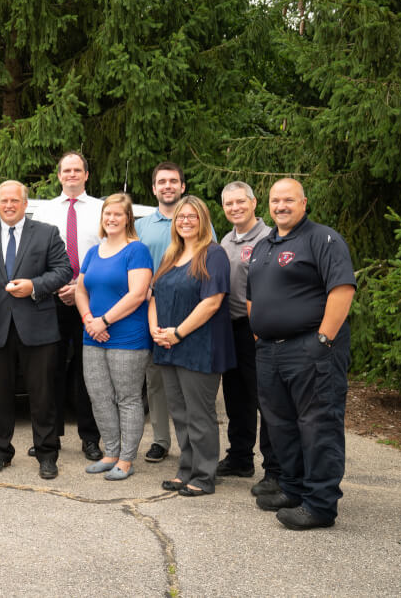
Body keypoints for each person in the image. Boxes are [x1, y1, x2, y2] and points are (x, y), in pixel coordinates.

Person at [247, 178, 355, 530]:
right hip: (270, 352)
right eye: (276, 200)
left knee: (318, 426)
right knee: (281, 426)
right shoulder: (264, 246)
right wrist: (259, 330)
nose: (281, 206)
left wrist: (323, 340)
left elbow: (341, 288)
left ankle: (320, 504)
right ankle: (291, 489)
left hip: (311, 348)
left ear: (304, 203)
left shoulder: (322, 239)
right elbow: (253, 297)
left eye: (289, 200)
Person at [0, 181, 72, 479]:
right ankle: (1, 452)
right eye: (3, 201)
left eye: (15, 200)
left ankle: (47, 453)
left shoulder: (46, 232)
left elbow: (63, 271)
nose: (9, 205)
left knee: (42, 395)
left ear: (25, 204)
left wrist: (34, 286)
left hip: (38, 327)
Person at [148, 196, 235, 496]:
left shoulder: (214, 254)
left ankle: (204, 474)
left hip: (199, 346)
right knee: (180, 413)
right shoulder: (171, 255)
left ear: (203, 221)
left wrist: (178, 333)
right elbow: (155, 296)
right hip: (168, 346)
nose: (185, 221)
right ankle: (185, 469)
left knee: (199, 414)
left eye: (192, 217)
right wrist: (156, 332)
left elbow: (211, 303)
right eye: (181, 217)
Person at [74, 194, 153, 480]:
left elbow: (138, 294)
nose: (111, 219)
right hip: (92, 335)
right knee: (99, 397)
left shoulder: (137, 251)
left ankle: (127, 459)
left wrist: (104, 320)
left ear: (128, 218)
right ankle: (110, 452)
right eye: (107, 214)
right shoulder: (94, 252)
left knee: (128, 398)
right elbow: (81, 291)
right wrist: (88, 320)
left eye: (118, 214)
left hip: (127, 337)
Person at [31, 152, 104, 462]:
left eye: (77, 170)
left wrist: (80, 288)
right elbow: (34, 257)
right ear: (59, 175)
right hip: (51, 301)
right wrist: (58, 287)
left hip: (93, 301)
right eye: (66, 170)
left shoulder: (104, 210)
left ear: (86, 175)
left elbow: (110, 254)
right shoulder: (43, 211)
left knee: (89, 372)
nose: (72, 174)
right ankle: (51, 437)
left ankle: (91, 438)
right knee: (50, 371)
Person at [216, 181, 281, 496]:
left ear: (254, 203)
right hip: (229, 328)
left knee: (266, 399)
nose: (235, 208)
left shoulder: (270, 239)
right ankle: (240, 457)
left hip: (257, 328)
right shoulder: (226, 240)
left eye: (240, 202)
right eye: (229, 204)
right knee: (236, 398)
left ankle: (275, 468)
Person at [134, 162, 186, 463]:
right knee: (156, 380)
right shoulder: (141, 227)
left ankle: (189, 443)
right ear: (154, 189)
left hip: (189, 314)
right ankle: (161, 441)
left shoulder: (195, 219)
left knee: (188, 381)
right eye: (162, 181)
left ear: (182, 187)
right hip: (151, 313)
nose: (168, 186)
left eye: (173, 181)